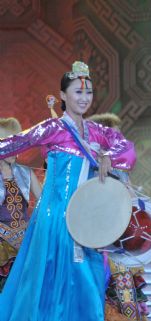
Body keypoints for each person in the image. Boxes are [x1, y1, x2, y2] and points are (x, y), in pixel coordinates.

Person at [0, 61, 136, 321]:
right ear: (63, 95)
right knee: (51, 283)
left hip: (87, 218)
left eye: (89, 92)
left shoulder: (97, 132)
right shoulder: (52, 129)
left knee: (88, 280)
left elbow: (128, 149)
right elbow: (10, 144)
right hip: (55, 217)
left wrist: (108, 155)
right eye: (77, 92)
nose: (84, 98)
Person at [88, 112, 149, 321]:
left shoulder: (122, 171)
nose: (118, 143)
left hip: (120, 244)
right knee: (94, 299)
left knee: (126, 297)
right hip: (93, 246)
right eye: (113, 138)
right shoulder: (87, 169)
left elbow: (132, 201)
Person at [0, 118, 42, 291]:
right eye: (7, 143)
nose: (13, 149)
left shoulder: (25, 172)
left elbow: (44, 202)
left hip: (28, 240)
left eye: (15, 142)